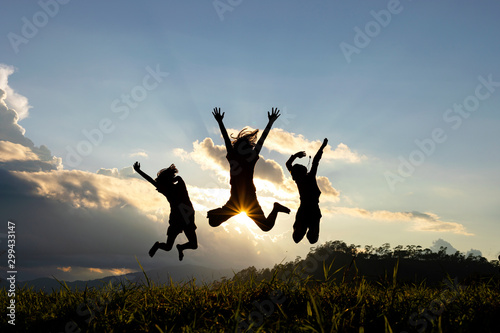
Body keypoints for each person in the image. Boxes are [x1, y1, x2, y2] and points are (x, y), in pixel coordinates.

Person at [207, 107, 290, 231]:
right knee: (212, 222)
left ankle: (276, 208)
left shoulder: (249, 159)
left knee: (266, 227)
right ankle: (214, 213)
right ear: (238, 148)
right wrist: (220, 122)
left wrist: (270, 123)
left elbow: (262, 140)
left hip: (248, 201)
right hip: (235, 202)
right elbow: (226, 140)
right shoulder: (234, 157)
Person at [133, 161, 197, 261]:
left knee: (178, 246)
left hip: (182, 218)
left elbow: (152, 181)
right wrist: (139, 171)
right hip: (182, 217)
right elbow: (153, 181)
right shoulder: (175, 187)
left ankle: (176, 247)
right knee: (180, 246)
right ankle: (168, 246)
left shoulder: (169, 189)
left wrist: (138, 171)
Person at [286, 138, 328, 244]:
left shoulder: (299, 179)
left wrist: (296, 155)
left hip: (307, 210)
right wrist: (322, 147)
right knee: (308, 238)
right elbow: (315, 161)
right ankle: (305, 230)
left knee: (300, 238)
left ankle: (304, 230)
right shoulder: (307, 178)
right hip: (311, 210)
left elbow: (288, 164)